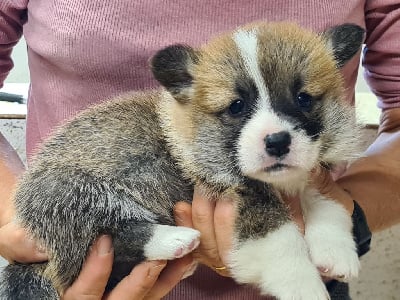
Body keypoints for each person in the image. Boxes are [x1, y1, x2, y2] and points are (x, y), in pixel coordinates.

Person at [0, 0, 399, 299]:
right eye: (237, 108)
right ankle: (134, 237)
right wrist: (10, 219)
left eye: (305, 99)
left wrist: (350, 213)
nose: (275, 130)